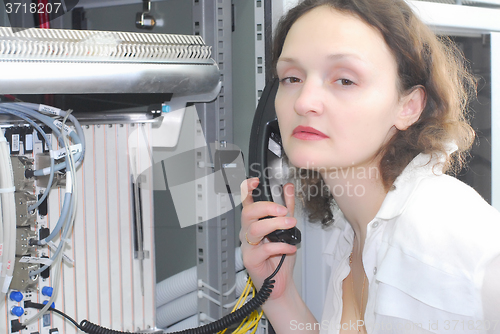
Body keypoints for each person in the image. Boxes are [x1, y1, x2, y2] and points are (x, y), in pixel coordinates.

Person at [239, 0, 500, 333]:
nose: (304, 102)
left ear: (408, 107)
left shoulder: (447, 233)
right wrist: (280, 296)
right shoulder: (354, 235)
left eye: (345, 80)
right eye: (291, 78)